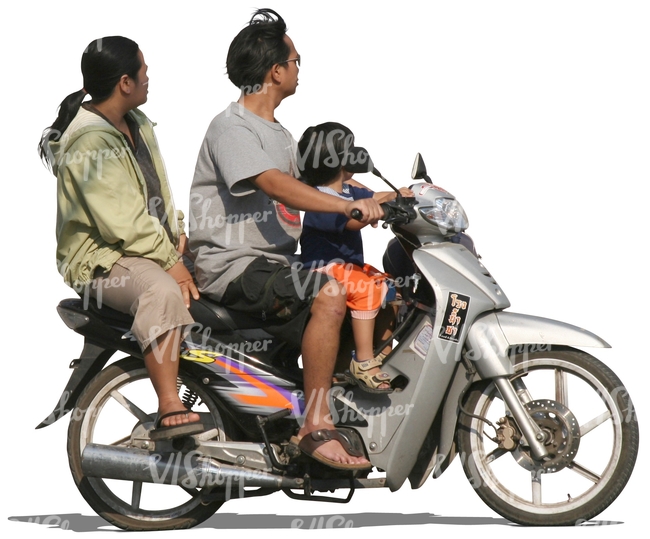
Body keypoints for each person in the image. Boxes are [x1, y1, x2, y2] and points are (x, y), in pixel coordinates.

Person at [189, 9, 383, 470]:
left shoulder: (279, 133)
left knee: (370, 294)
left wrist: (395, 198)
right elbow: (274, 184)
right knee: (330, 292)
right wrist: (342, 206)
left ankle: (333, 404)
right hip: (234, 267)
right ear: (276, 71)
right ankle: (314, 427)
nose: (299, 68)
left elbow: (315, 191)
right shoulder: (232, 126)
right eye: (295, 60)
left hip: (272, 266)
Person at [39, 36, 203, 441]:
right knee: (162, 291)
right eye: (143, 70)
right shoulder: (91, 142)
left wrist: (178, 237)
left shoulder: (137, 122)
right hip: (100, 258)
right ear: (125, 82)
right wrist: (172, 262)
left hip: (143, 246)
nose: (150, 77)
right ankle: (169, 406)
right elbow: (123, 224)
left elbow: (155, 190)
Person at [298, 122, 413, 393]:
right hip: (323, 268)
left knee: (389, 286)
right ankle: (363, 361)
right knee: (364, 290)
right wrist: (377, 209)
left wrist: (402, 195)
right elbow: (353, 219)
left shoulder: (349, 191)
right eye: (350, 149)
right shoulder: (319, 199)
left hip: (349, 267)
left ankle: (383, 353)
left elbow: (375, 196)